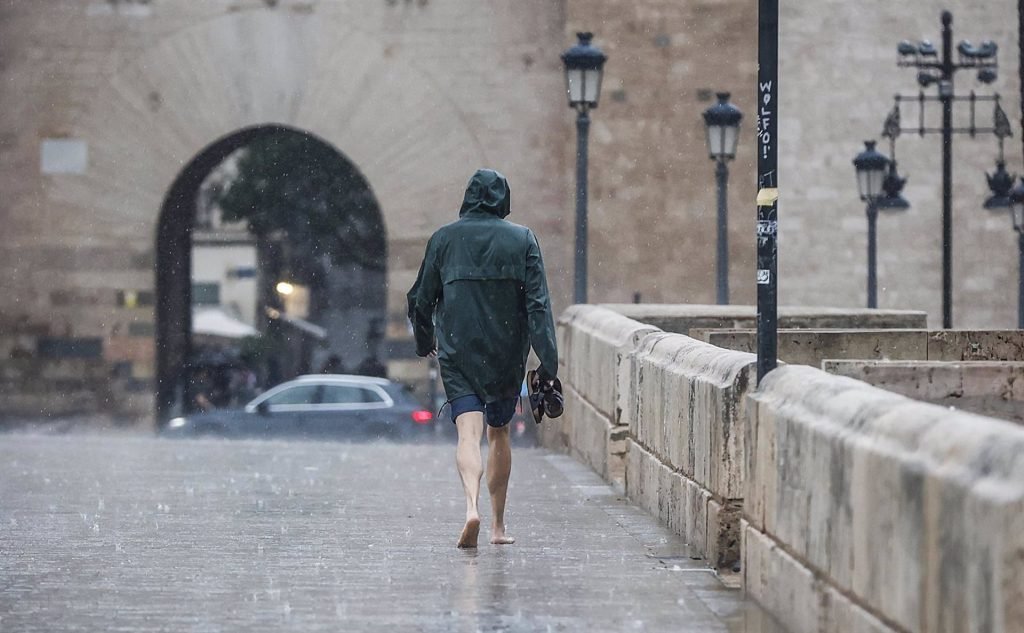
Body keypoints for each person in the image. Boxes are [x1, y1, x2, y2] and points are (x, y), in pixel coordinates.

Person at [408, 168, 558, 548]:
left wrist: (425, 339)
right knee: (500, 432)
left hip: (458, 348)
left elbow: (420, 299)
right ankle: (497, 526)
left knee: (468, 433)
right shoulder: (523, 239)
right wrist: (549, 362)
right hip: (506, 352)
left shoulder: (444, 239)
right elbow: (538, 306)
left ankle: (470, 507)